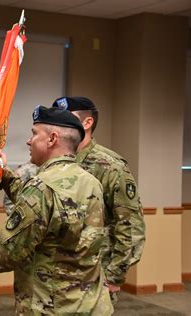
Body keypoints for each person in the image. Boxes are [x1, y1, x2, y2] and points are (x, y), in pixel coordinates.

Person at [0, 106, 113, 315]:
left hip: (51, 305)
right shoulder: (90, 182)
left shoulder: (41, 188)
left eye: (34, 134)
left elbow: (9, 253)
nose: (28, 140)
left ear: (52, 139)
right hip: (89, 303)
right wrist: (4, 175)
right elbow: (47, 211)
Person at [52, 96, 145, 301]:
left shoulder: (110, 166)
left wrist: (114, 275)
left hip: (92, 277)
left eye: (66, 117)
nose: (59, 124)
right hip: (54, 276)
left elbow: (130, 225)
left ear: (87, 123)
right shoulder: (53, 162)